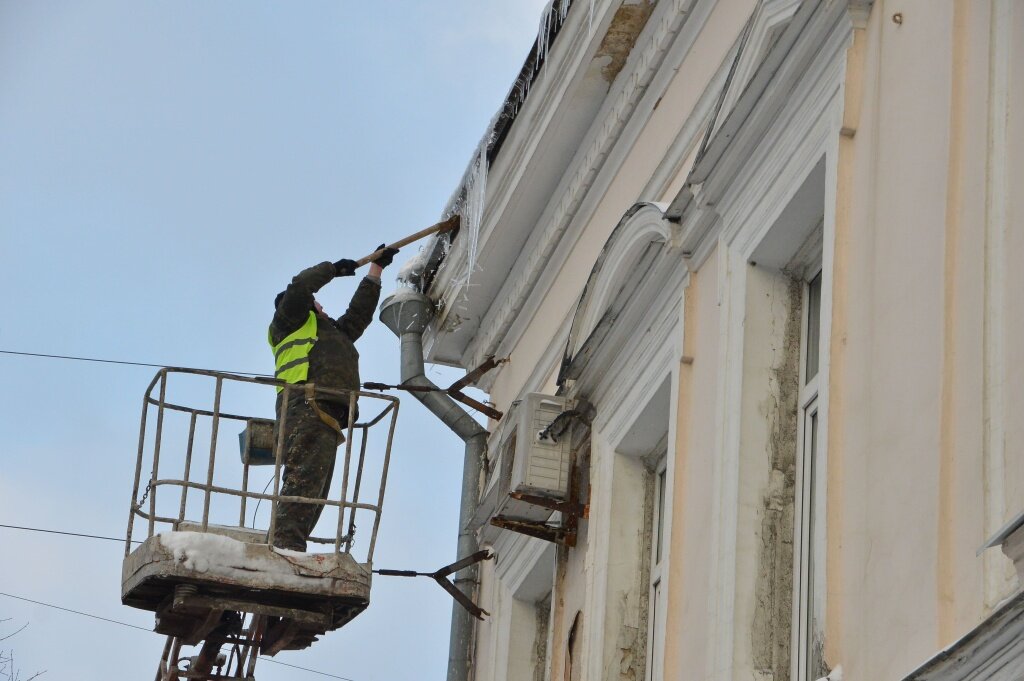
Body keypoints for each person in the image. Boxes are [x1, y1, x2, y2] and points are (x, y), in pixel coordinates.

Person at [267, 244, 398, 551]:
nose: (322, 307)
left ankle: (288, 543)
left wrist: (375, 272)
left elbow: (357, 317)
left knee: (316, 486)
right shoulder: (287, 324)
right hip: (304, 405)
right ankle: (285, 546)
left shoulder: (330, 332)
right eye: (317, 303)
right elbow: (300, 286)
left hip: (325, 411)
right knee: (305, 479)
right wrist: (333, 270)